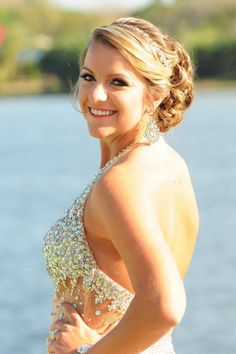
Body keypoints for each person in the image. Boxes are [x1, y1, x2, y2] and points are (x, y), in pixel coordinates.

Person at [43, 16, 199, 354]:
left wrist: (86, 353)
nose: (96, 94)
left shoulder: (122, 181)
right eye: (88, 77)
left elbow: (166, 306)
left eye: (118, 82)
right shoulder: (170, 164)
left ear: (154, 94)